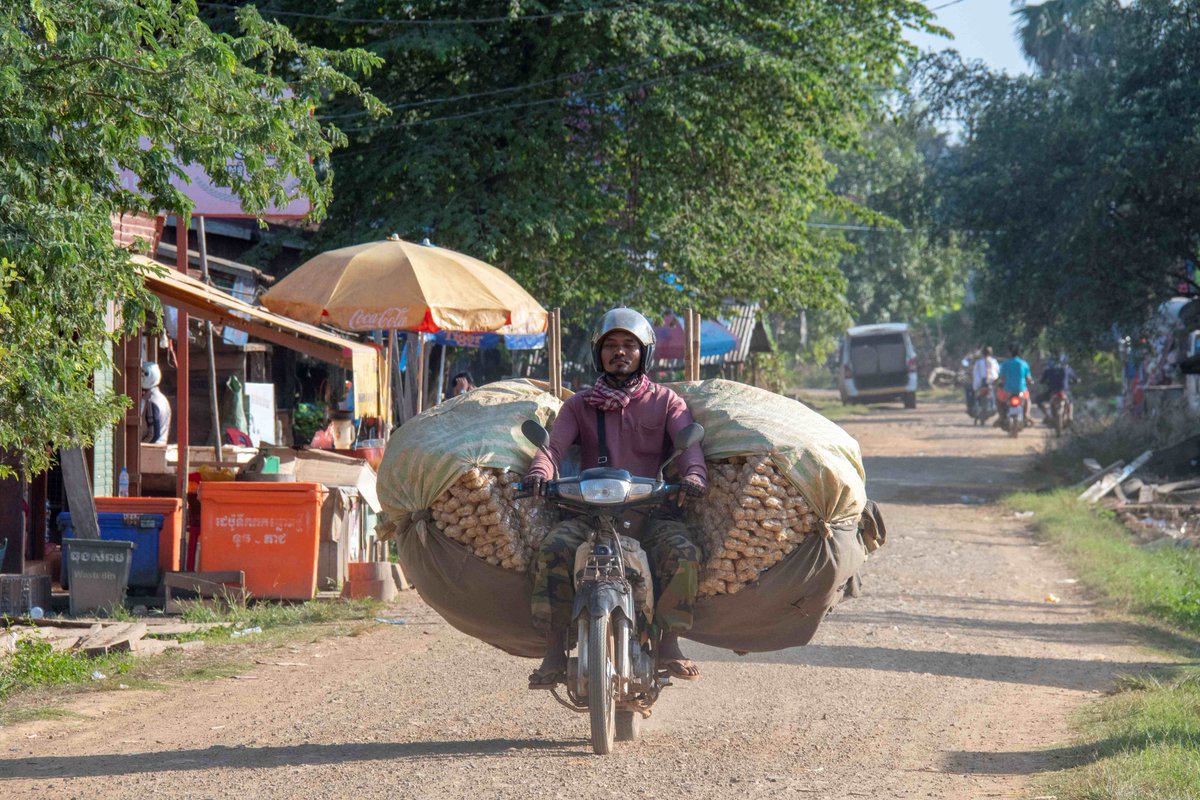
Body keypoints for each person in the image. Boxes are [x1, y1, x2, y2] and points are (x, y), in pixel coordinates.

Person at [524, 308, 707, 688]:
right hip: (591, 512)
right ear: (598, 353)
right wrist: (540, 472)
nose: (620, 352)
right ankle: (555, 648)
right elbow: (554, 447)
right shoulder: (579, 405)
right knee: (553, 548)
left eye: (629, 345)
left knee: (684, 552)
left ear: (645, 353)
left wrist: (693, 475)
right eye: (611, 345)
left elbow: (689, 447)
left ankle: (670, 641)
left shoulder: (666, 401)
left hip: (649, 511)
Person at [996, 343, 1034, 426]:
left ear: (1009, 352)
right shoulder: (1024, 364)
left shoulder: (1005, 364)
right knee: (1027, 399)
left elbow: (1002, 378)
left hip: (1007, 390)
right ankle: (1026, 415)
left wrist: (999, 384)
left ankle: (1001, 416)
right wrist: (1031, 382)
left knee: (998, 399)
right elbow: (1028, 378)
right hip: (1021, 389)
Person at [1036, 354, 1077, 421]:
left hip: (1052, 391)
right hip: (1064, 391)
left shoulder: (1049, 370)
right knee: (1070, 402)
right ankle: (1070, 416)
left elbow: (1042, 381)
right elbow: (1075, 379)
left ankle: (1048, 416)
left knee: (1038, 400)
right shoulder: (1067, 368)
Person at [140, 362, 172, 444]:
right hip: (161, 447)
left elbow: (153, 434)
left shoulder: (151, 401)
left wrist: (139, 446)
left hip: (151, 451)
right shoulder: (163, 399)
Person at [971, 346, 1000, 414]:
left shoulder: (979, 362)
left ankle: (978, 406)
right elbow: (997, 372)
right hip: (990, 382)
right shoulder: (993, 361)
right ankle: (993, 406)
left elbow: (975, 373)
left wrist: (976, 385)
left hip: (983, 382)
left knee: (977, 395)